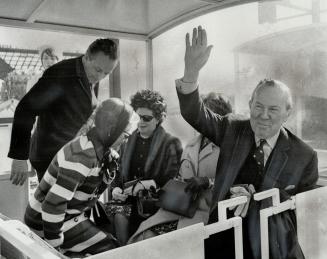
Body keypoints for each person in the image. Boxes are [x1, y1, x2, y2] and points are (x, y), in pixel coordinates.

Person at [175, 26, 318, 259]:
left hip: (270, 247)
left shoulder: (304, 155)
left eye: (273, 109)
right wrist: (191, 72)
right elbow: (195, 114)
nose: (263, 115)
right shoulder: (232, 128)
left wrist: (259, 198)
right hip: (222, 239)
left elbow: (304, 212)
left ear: (287, 113)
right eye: (259, 106)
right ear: (250, 104)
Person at [24, 98, 133, 256]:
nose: (126, 140)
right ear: (111, 129)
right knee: (109, 250)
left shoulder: (102, 150)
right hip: (45, 221)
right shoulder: (82, 156)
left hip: (69, 215)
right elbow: (52, 206)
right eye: (125, 135)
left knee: (110, 244)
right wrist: (54, 248)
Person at [8, 38, 119, 185]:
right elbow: (25, 109)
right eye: (98, 70)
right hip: (50, 159)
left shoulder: (91, 77)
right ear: (86, 57)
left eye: (106, 73)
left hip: (71, 158)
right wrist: (20, 158)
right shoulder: (60, 74)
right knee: (52, 207)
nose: (100, 77)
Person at [128, 92, 232, 244]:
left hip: (207, 210)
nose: (201, 121)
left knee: (169, 244)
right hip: (180, 206)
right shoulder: (191, 144)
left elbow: (235, 182)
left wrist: (208, 182)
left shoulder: (229, 147)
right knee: (145, 236)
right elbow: (180, 176)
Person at [106, 89, 183, 245]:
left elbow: (175, 181)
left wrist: (151, 184)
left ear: (158, 119)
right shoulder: (126, 143)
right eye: (138, 116)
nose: (140, 122)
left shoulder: (171, 143)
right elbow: (116, 175)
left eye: (146, 118)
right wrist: (115, 189)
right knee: (118, 217)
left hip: (154, 206)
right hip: (128, 204)